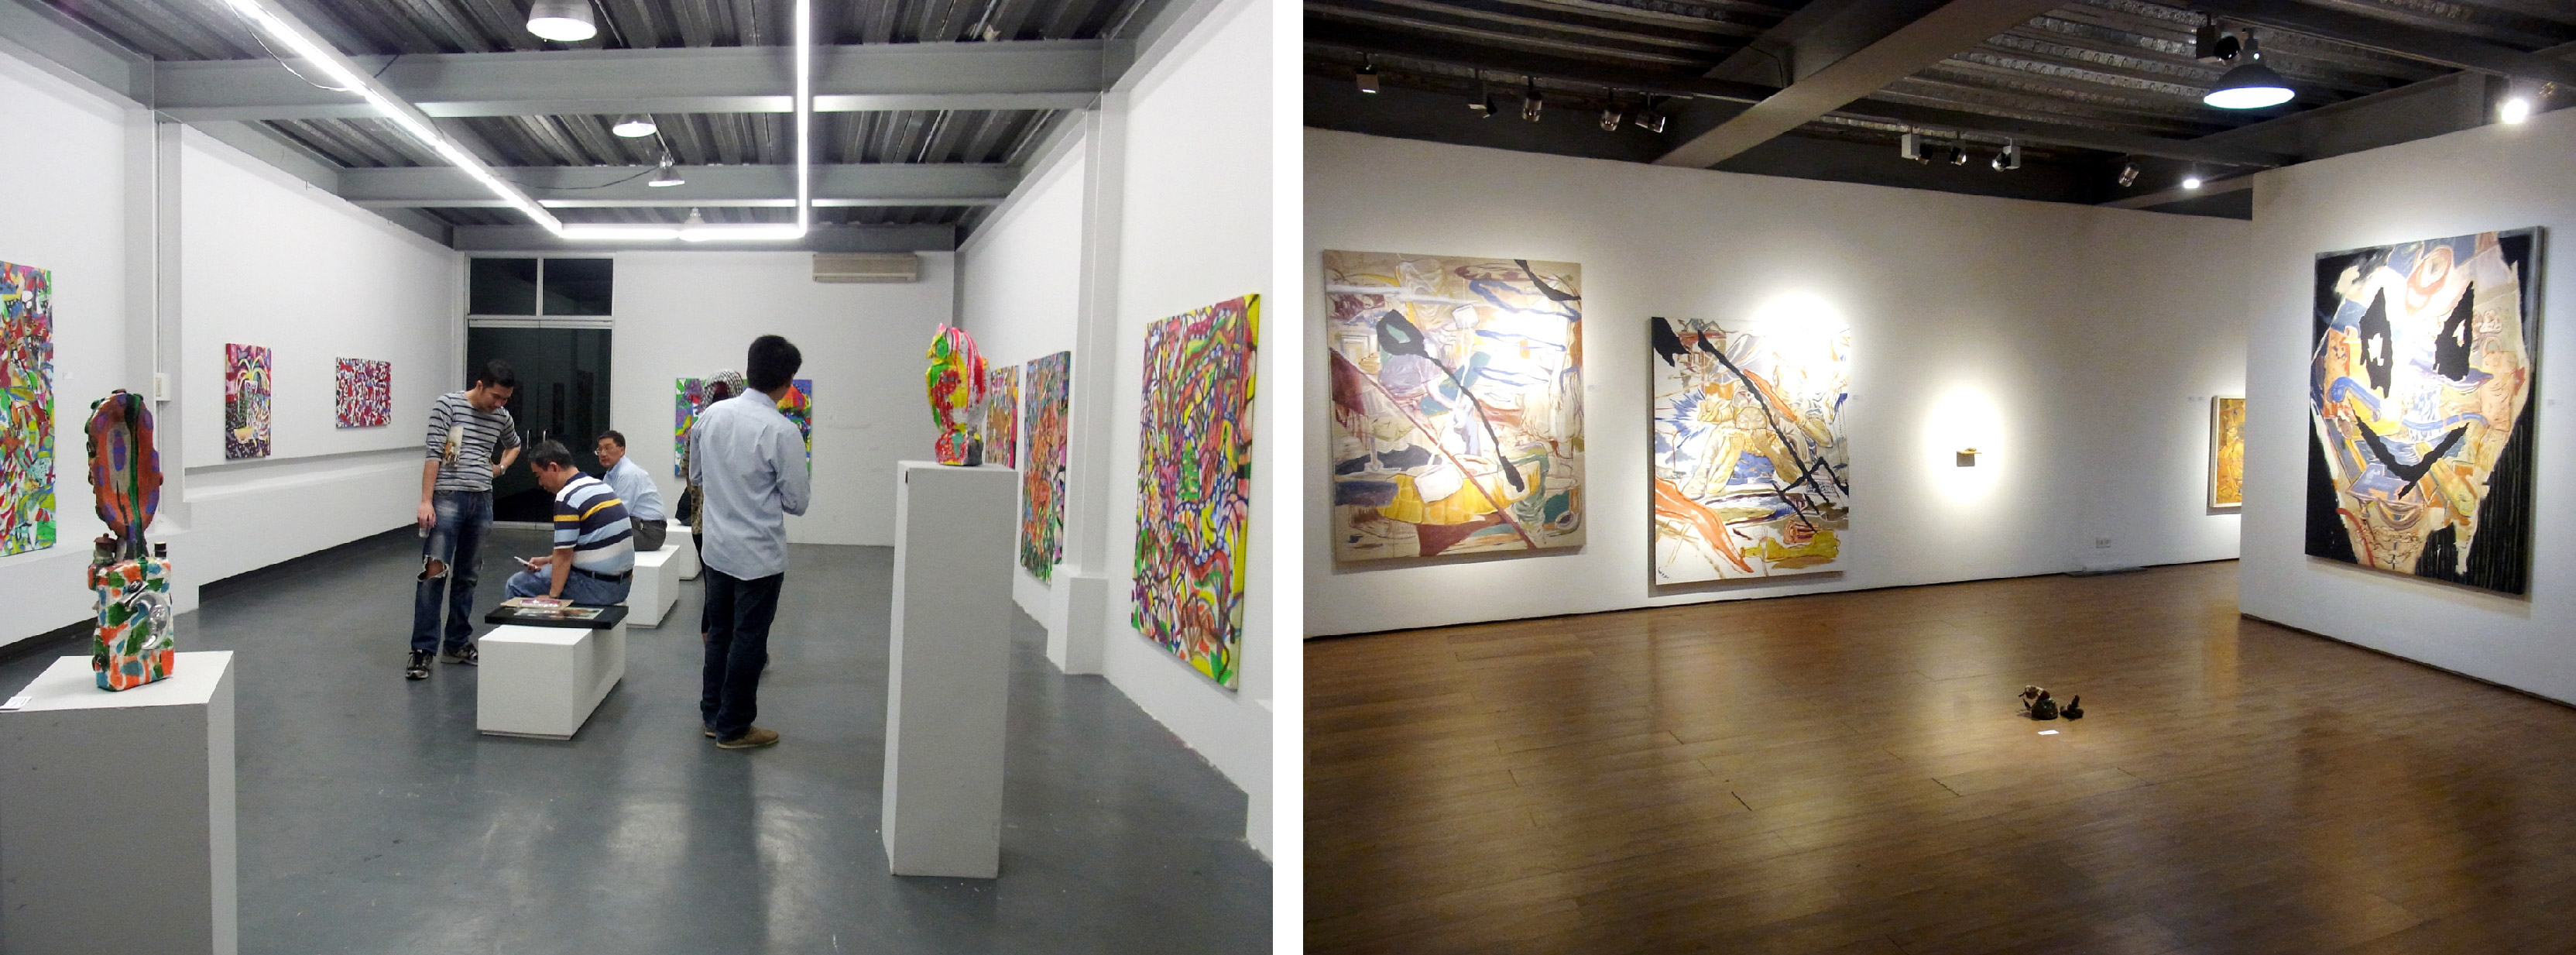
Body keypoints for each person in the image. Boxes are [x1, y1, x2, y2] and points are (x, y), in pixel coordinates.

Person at [690, 338, 809, 750]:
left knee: (719, 633)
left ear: (749, 369)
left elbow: (697, 476)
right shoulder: (782, 431)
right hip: (759, 555)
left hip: (716, 550)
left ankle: (712, 715)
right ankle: (735, 726)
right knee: (749, 639)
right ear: (788, 381)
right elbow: (797, 503)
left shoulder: (710, 417)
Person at [410, 360, 521, 681]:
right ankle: (423, 649)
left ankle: (457, 643)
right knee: (433, 573)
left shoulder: (501, 416)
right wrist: (426, 500)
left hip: (482, 500)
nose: (499, 404)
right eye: (496, 397)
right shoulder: (448, 405)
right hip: (447, 497)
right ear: (480, 385)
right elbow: (435, 453)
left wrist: (499, 469)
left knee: (468, 576)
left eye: (506, 399)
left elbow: (514, 445)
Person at [504, 439, 635, 607]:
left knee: (516, 584)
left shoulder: (567, 497)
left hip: (598, 588)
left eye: (539, 475)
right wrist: (549, 560)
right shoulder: (599, 485)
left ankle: (522, 625)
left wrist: (553, 597)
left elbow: (564, 555)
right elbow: (586, 546)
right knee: (547, 571)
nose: (540, 483)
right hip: (622, 585)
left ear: (553, 468)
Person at [593, 430, 667, 552]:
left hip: (649, 531)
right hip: (636, 525)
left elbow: (619, 513)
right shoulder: (610, 475)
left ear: (622, 450)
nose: (603, 453)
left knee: (596, 539)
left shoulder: (627, 473)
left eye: (608, 448)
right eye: (600, 450)